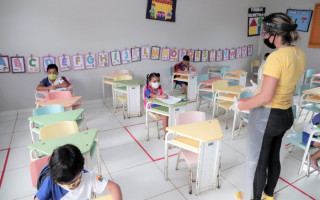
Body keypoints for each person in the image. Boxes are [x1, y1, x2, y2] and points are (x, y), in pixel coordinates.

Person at [230, 13, 306, 200]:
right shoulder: (298, 54)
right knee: (274, 156)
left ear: (275, 34)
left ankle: (254, 198)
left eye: (266, 33)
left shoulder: (276, 57)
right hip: (286, 113)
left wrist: (241, 104)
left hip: (269, 116)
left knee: (258, 161)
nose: (264, 37)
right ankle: (268, 194)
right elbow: (283, 85)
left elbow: (265, 97)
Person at [35, 144, 122, 200]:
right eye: (63, 184)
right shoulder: (51, 181)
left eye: (73, 183)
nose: (70, 187)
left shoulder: (91, 176)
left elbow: (114, 187)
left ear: (81, 169)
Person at [143, 73, 169, 137]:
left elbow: (161, 94)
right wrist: (161, 96)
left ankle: (171, 130)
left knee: (173, 112)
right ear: (149, 82)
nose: (156, 83)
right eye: (154, 81)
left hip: (160, 105)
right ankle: (166, 135)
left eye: (158, 81)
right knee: (165, 115)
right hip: (152, 107)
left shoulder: (159, 88)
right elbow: (153, 96)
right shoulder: (147, 89)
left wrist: (164, 95)